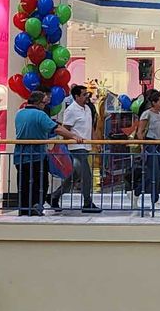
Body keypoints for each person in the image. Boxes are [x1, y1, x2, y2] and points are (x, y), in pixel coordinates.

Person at [14, 90, 79, 215]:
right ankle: (35, 207)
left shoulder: (19, 114)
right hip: (37, 155)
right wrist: (73, 136)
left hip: (20, 155)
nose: (45, 106)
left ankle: (23, 209)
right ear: (38, 103)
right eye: (44, 103)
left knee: (23, 184)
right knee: (40, 183)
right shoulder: (40, 114)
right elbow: (57, 129)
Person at [49, 85, 101, 213]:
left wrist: (96, 142)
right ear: (76, 96)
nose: (86, 97)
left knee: (75, 175)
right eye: (83, 95)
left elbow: (91, 128)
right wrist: (69, 141)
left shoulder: (88, 109)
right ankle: (87, 202)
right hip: (76, 147)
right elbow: (65, 129)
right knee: (86, 174)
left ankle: (54, 196)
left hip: (86, 146)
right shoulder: (71, 110)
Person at [135, 91, 160, 207]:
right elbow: (140, 132)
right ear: (153, 102)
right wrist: (142, 147)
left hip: (159, 146)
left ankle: (136, 192)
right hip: (150, 145)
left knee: (154, 174)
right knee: (154, 173)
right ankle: (155, 199)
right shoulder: (146, 114)